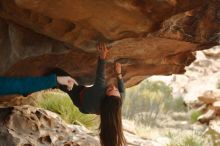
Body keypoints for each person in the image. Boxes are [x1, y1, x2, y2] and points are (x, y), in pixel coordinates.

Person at [0, 43, 126, 146]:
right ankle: (54, 84)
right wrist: (119, 74)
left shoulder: (99, 92)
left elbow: (101, 76)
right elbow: (122, 91)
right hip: (88, 102)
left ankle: (34, 87)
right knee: (67, 83)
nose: (113, 87)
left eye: (110, 90)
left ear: (106, 98)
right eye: (116, 91)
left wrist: (102, 56)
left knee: (58, 73)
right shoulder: (117, 102)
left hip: (80, 98)